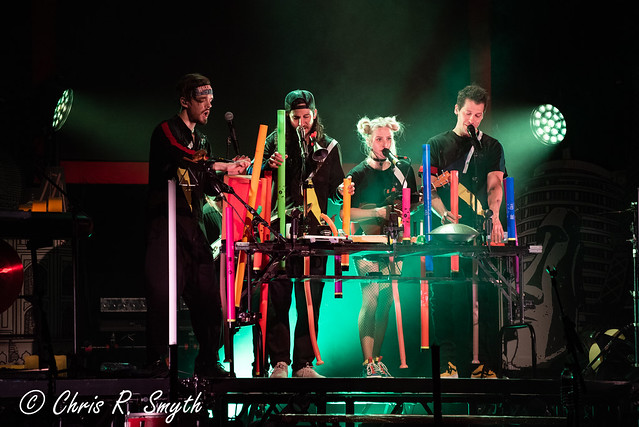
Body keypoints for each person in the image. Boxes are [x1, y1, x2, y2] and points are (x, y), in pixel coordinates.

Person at [144, 73, 250, 378]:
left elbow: (206, 181)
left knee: (208, 297)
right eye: (202, 99)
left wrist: (233, 171)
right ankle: (157, 363)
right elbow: (185, 157)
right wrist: (222, 164)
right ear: (184, 101)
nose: (208, 106)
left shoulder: (203, 140)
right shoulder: (166, 131)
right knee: (163, 295)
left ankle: (208, 362)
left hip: (194, 224)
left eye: (211, 100)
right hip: (166, 222)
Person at [260, 89, 347, 378]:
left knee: (310, 298)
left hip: (315, 228)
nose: (302, 122)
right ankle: (279, 362)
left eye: (306, 116)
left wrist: (343, 191)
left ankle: (304, 363)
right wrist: (268, 165)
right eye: (295, 118)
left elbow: (334, 190)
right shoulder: (274, 141)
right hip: (280, 228)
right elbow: (256, 176)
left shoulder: (329, 146)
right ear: (287, 117)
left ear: (315, 114)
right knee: (279, 296)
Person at [428, 84, 506, 379]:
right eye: (468, 113)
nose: (472, 120)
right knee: (444, 295)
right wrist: (442, 212)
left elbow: (495, 184)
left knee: (483, 294)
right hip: (444, 232)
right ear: (456, 110)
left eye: (478, 115)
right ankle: (447, 363)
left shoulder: (491, 146)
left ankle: (482, 362)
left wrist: (495, 216)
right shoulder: (437, 144)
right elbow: (429, 188)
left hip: (478, 230)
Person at [344, 116, 417, 377]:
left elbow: (412, 204)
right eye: (379, 139)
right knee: (371, 298)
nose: (385, 144)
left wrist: (405, 210)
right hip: (367, 242)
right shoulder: (358, 173)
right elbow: (346, 213)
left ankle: (377, 359)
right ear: (368, 141)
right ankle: (367, 362)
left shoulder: (403, 169)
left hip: (394, 241)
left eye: (389, 139)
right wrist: (376, 212)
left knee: (386, 301)